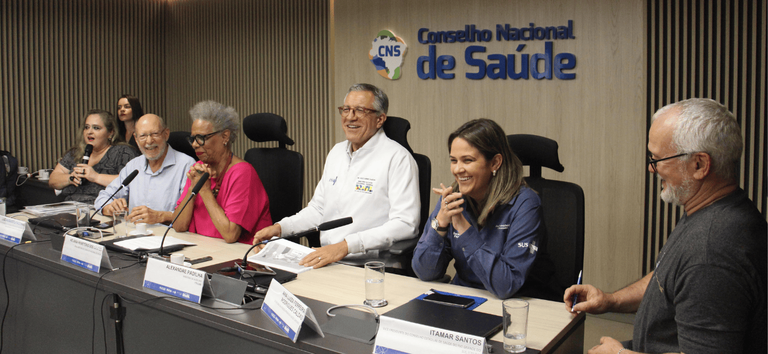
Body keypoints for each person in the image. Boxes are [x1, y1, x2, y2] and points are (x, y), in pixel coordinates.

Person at [564, 98, 766, 354]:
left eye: (658, 158)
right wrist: (610, 300)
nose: (651, 168)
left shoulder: (711, 252)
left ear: (699, 164)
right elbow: (668, 278)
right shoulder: (714, 210)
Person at [253, 83, 420, 268]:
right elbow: (318, 210)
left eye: (360, 110)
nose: (350, 117)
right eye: (346, 109)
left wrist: (347, 246)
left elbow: (406, 224)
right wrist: (280, 228)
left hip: (370, 266)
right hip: (326, 260)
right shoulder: (337, 152)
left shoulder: (398, 158)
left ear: (380, 119)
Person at [411, 119, 550, 299]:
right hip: (466, 298)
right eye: (453, 160)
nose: (458, 169)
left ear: (495, 163)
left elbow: (506, 285)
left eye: (467, 160)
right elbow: (424, 271)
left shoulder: (525, 204)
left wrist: (463, 228)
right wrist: (441, 223)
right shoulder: (452, 197)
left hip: (516, 303)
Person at [172, 100, 271, 244]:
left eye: (201, 138)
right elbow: (178, 225)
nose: (194, 144)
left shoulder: (243, 172)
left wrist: (205, 190)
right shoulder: (198, 169)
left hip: (237, 258)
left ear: (225, 137)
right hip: (203, 249)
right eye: (193, 138)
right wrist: (193, 189)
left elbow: (230, 235)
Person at [94, 114, 196, 224]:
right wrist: (109, 207)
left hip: (169, 236)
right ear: (136, 139)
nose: (149, 141)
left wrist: (161, 216)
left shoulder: (186, 165)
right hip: (135, 234)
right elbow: (103, 197)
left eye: (155, 134)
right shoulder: (133, 166)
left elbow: (190, 213)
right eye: (142, 136)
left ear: (166, 134)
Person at [49, 109, 138, 204]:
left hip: (101, 209)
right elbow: (53, 179)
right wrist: (70, 178)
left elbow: (133, 182)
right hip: (70, 207)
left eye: (96, 128)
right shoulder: (76, 152)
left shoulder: (122, 152)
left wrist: (96, 177)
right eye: (86, 127)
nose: (89, 132)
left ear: (110, 132)